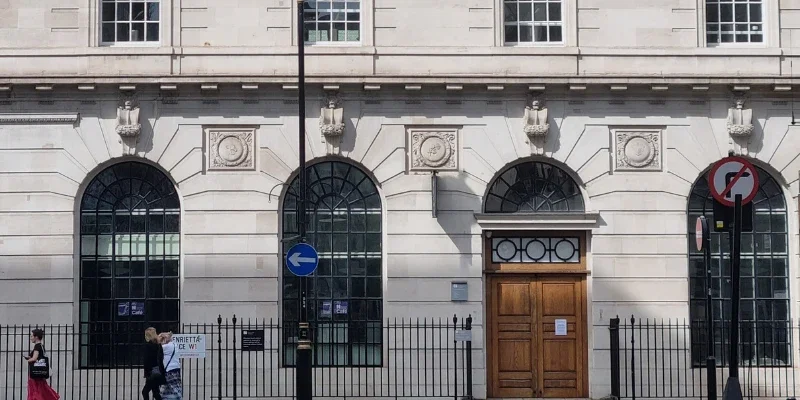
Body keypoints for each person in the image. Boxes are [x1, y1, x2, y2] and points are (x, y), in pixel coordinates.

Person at [24, 328, 59, 400]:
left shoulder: (37, 346)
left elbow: (34, 358)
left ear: (36, 337)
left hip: (35, 374)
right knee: (42, 389)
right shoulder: (41, 346)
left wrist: (29, 360)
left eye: (31, 336)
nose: (31, 338)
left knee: (35, 390)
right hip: (40, 373)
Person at [142, 327, 165, 400]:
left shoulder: (148, 345)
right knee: (155, 392)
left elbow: (147, 360)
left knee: (145, 392)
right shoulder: (158, 345)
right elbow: (161, 358)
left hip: (151, 372)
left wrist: (147, 372)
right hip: (158, 371)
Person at [159, 332, 182, 400]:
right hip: (176, 369)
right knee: (173, 389)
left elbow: (158, 347)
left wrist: (160, 337)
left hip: (169, 371)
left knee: (171, 390)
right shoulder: (174, 345)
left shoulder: (166, 347)